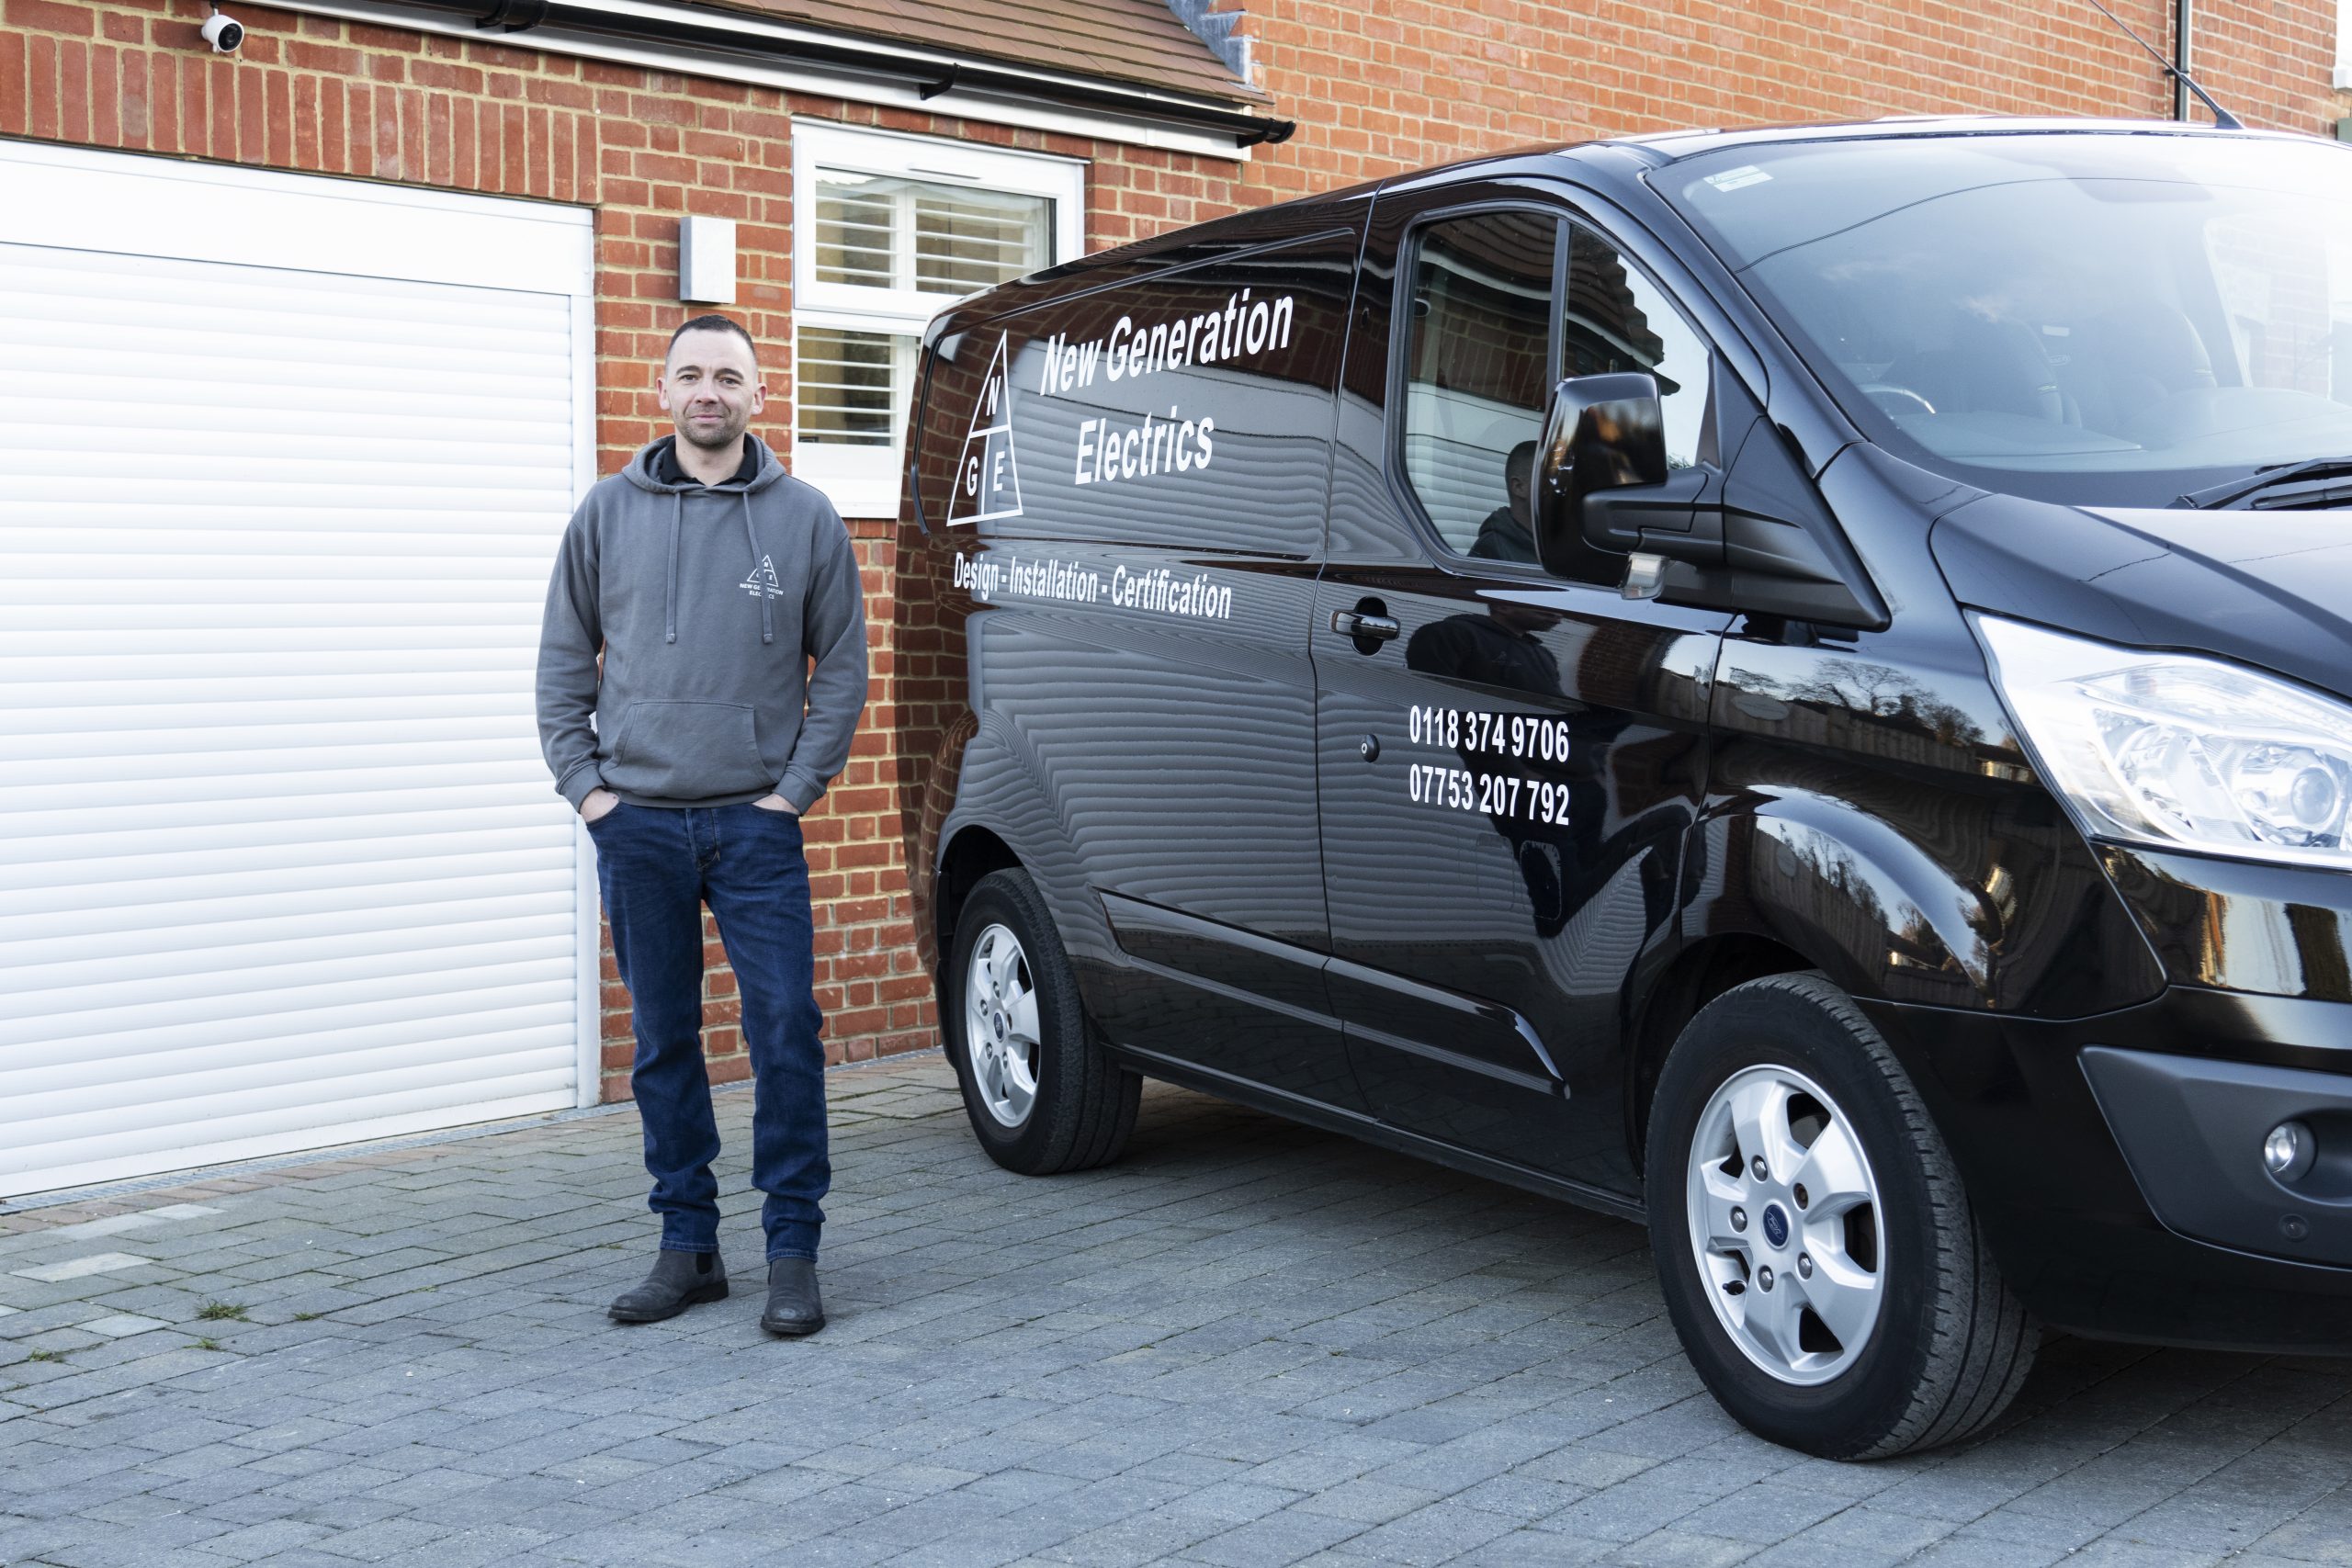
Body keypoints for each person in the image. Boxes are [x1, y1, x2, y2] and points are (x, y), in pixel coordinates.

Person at [536, 314, 868, 1337]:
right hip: (638, 826)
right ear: (663, 390)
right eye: (691, 375)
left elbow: (845, 668)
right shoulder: (606, 513)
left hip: (754, 827)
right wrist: (590, 793)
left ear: (759, 395)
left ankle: (791, 1251)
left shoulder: (806, 517)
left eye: (728, 375)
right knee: (664, 1042)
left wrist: (792, 794)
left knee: (784, 1033)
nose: (708, 391)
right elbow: (561, 662)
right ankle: (687, 1247)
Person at [1470, 438, 1542, 564]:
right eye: (1548, 479)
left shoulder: (1555, 545)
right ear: (1519, 487)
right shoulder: (1492, 549)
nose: (1560, 489)